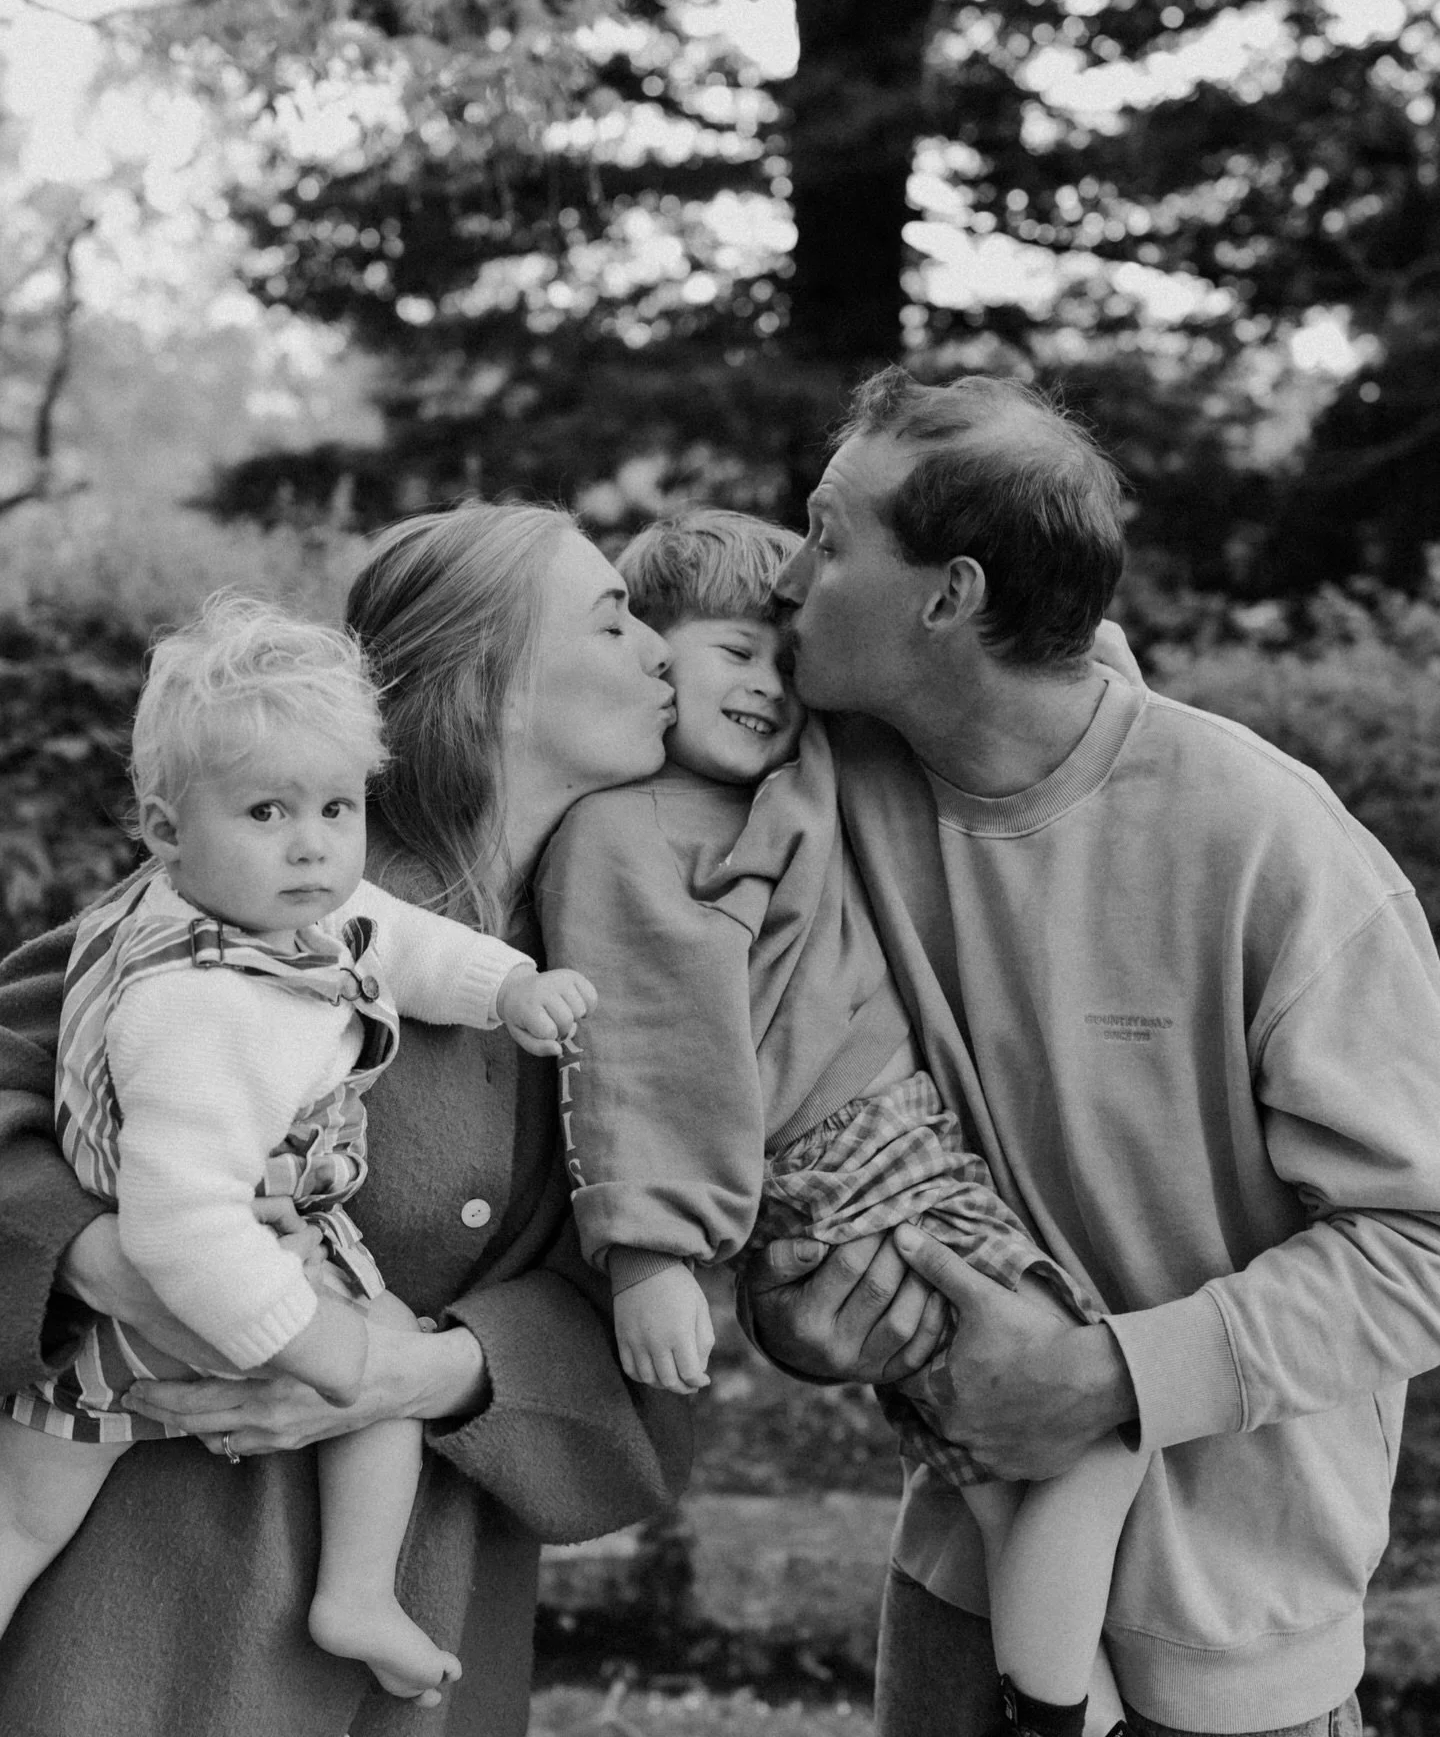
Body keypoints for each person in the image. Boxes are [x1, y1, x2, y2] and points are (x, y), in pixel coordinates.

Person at [746, 366, 1440, 1737]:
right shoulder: (828, 789)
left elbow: (1423, 1244)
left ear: (949, 596)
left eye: (828, 536)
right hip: (959, 1597)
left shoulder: (1266, 842)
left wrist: (1113, 1380)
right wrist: (798, 1309)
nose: (787, 577)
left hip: (1234, 1638)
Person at [0, 503, 690, 1737]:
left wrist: (423, 1372)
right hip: (160, 1588)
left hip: (420, 1599)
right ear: (490, 680)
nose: (662, 651)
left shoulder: (605, 964)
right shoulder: (257, 903)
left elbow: (650, 1311)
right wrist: (98, 1254)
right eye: (614, 618)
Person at [536, 508, 1144, 1737]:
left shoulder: (806, 775)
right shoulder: (626, 829)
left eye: (782, 658)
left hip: (886, 1181)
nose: (767, 684)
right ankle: (1060, 1715)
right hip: (861, 1186)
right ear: (653, 660)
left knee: (1003, 1477)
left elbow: (973, 710)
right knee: (1103, 1432)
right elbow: (646, 1048)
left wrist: (1093, 666)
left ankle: (1076, 1703)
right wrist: (656, 1255)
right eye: (729, 654)